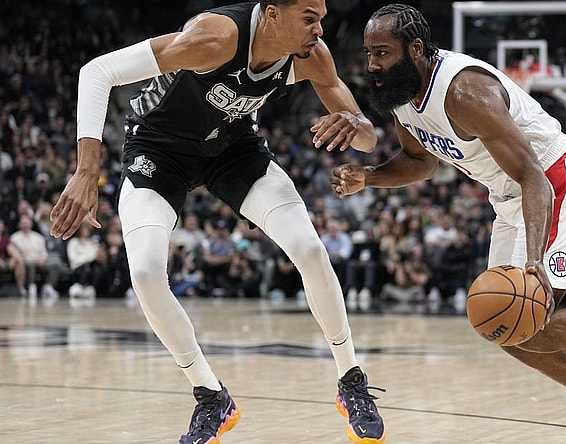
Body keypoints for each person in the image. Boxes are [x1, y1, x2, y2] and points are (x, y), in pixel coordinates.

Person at [331, 4, 566, 443]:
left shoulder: (465, 92)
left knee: (529, 318)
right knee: (508, 330)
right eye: (368, 53)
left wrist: (534, 260)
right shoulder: (402, 98)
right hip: (511, 198)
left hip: (556, 181)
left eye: (382, 52)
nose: (372, 65)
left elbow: (534, 176)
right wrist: (370, 177)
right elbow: (421, 161)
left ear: (415, 48)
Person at [48, 1, 385, 443]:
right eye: (309, 17)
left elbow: (368, 137)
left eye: (321, 17)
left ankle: (351, 380)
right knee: (147, 273)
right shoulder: (216, 37)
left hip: (232, 149)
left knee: (308, 248)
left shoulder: (310, 55)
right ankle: (211, 395)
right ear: (271, 14)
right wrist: (87, 170)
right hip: (158, 148)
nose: (320, 29)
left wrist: (353, 122)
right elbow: (96, 72)